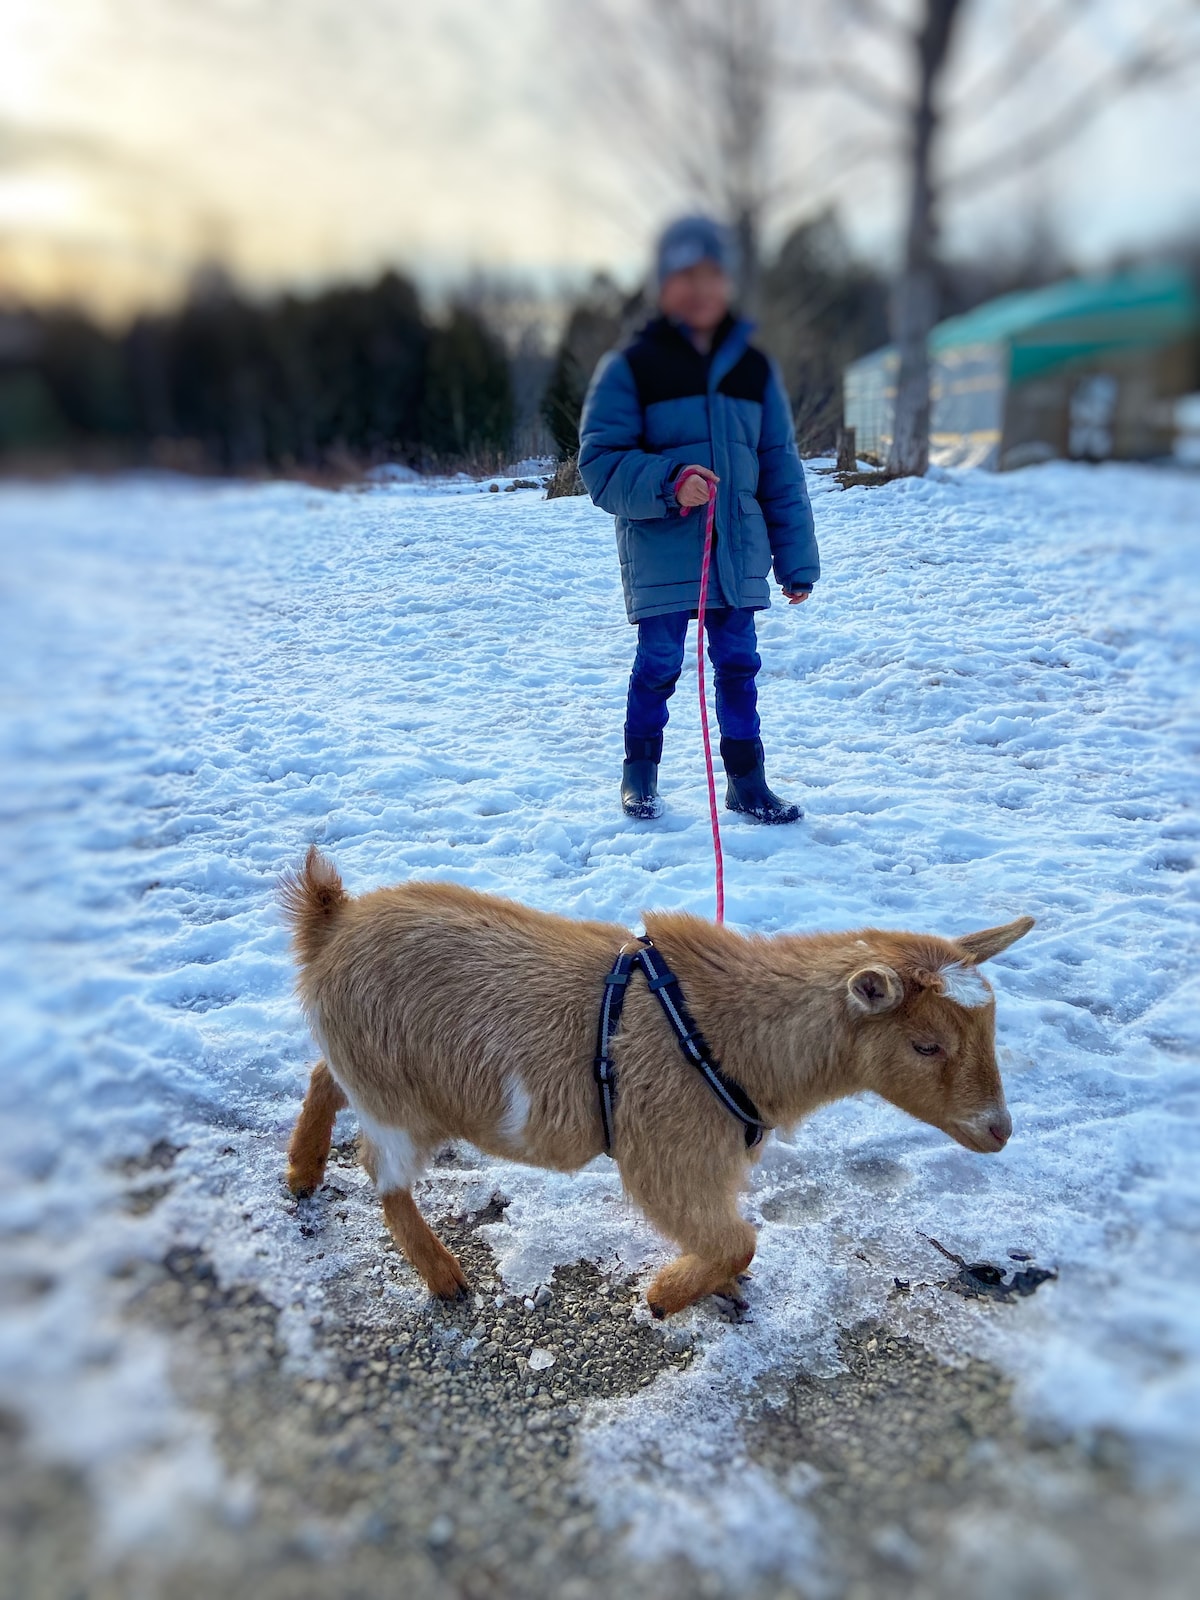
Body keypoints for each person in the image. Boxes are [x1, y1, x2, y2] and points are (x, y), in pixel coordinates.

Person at [578, 214, 819, 824]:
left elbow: (780, 467)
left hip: (737, 554)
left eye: (711, 275)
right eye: (685, 276)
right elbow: (600, 464)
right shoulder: (630, 367)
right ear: (662, 285)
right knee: (658, 666)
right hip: (663, 552)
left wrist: (795, 559)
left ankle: (747, 780)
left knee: (739, 666)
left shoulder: (755, 371)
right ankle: (640, 775)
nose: (700, 289)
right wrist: (668, 482)